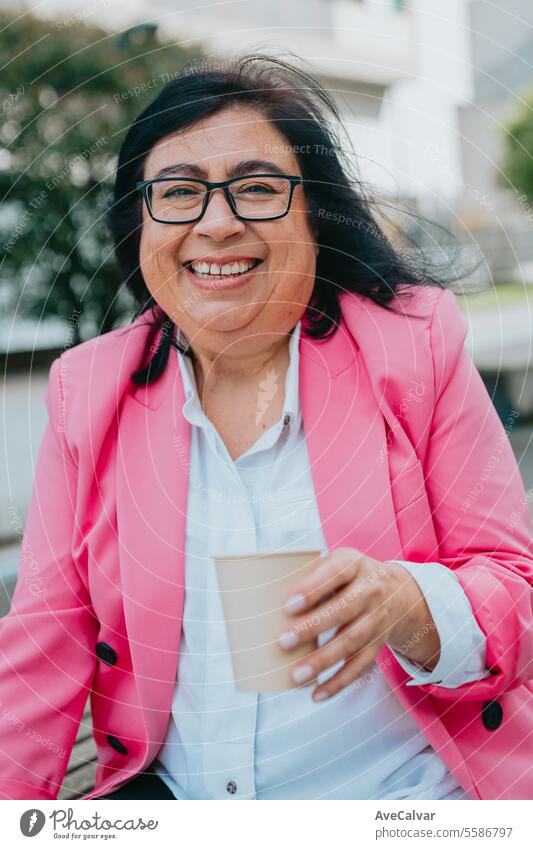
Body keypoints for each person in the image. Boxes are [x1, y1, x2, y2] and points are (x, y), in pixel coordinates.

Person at [1, 55, 532, 802]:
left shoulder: (416, 346)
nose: (216, 223)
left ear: (314, 214)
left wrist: (406, 602)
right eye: (178, 193)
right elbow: (44, 635)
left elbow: (516, 592)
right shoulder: (87, 388)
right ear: (139, 222)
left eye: (256, 188)